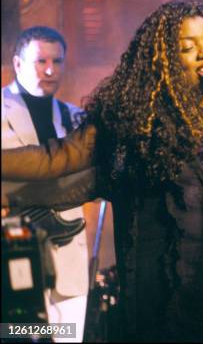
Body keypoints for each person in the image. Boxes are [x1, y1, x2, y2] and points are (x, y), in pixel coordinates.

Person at [2, 0, 203, 342]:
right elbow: (57, 159)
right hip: (170, 296)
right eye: (188, 48)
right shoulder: (135, 120)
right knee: (27, 330)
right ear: (166, 61)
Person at [1, 26, 89, 342]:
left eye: (58, 61)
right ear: (18, 63)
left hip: (68, 264)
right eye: (40, 61)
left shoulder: (77, 118)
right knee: (21, 336)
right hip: (14, 259)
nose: (50, 70)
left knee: (67, 336)